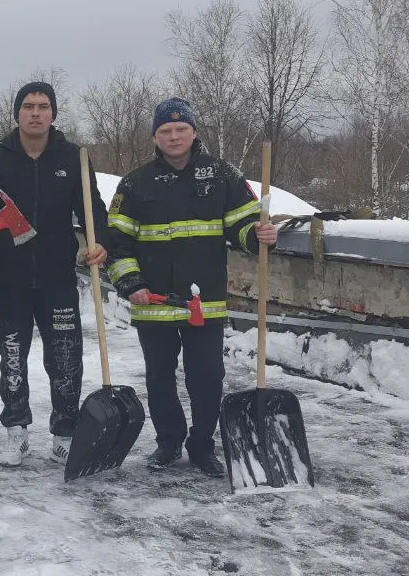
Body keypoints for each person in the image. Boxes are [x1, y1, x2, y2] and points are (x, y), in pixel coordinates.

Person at [105, 97, 279, 477]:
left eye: (181, 129)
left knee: (206, 377)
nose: (174, 136)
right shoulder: (135, 183)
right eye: (165, 130)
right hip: (152, 300)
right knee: (159, 377)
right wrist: (130, 282)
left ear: (194, 132)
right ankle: (168, 442)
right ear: (155, 136)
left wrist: (259, 234)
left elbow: (244, 225)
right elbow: (116, 242)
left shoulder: (222, 176)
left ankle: (202, 445)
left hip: (206, 302)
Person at [0, 81, 110, 468]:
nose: (35, 112)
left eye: (43, 106)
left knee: (65, 359)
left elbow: (94, 211)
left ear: (53, 113)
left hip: (57, 278)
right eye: (28, 106)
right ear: (17, 113)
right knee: (13, 357)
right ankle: (17, 431)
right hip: (8, 279)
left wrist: (100, 243)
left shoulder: (73, 158)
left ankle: (64, 431)